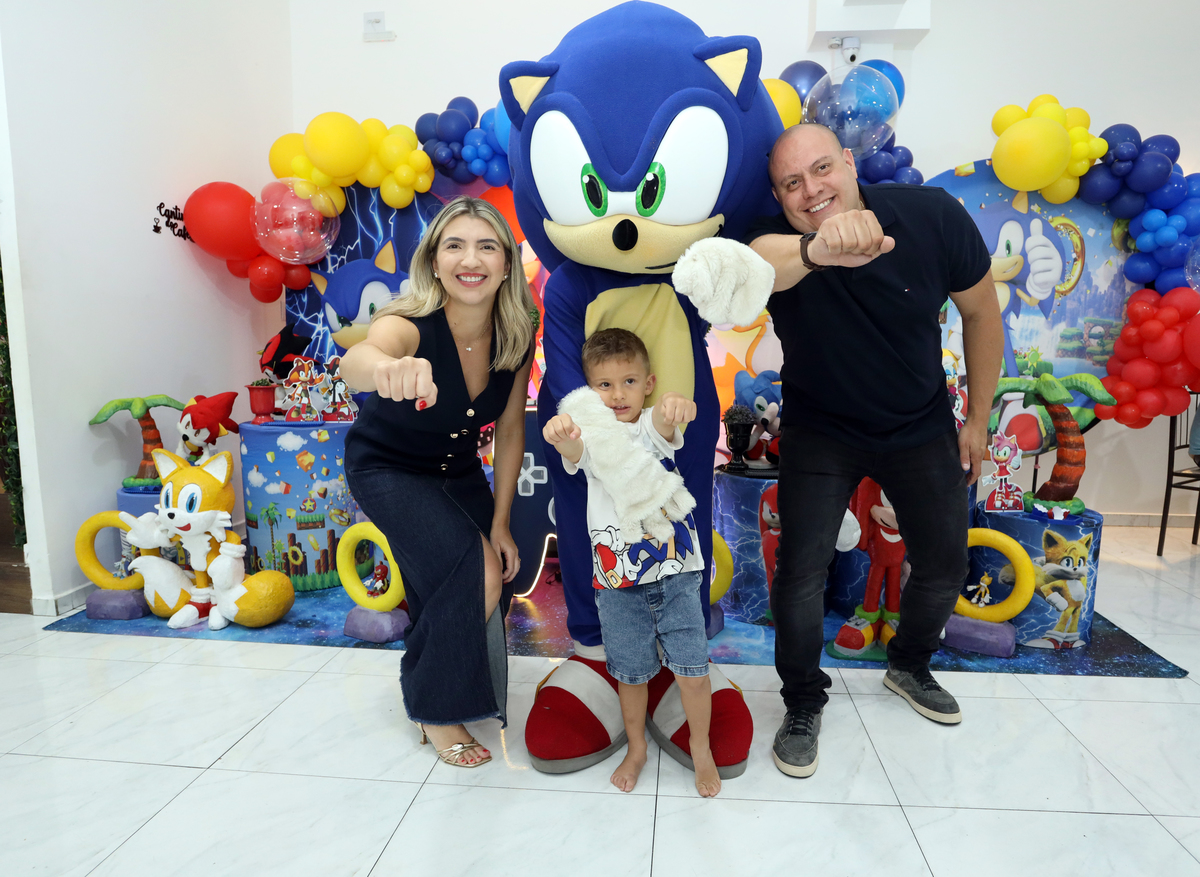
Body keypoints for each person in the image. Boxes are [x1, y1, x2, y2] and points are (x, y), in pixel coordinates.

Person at [744, 124, 1004, 778]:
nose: (811, 189)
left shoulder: (931, 215)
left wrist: (977, 419)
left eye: (821, 168)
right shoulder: (770, 240)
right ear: (777, 196)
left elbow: (982, 312)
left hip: (919, 423)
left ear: (850, 162)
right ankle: (803, 701)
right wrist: (819, 249)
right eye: (791, 183)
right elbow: (758, 261)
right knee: (800, 572)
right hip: (820, 430)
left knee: (944, 562)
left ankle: (909, 664)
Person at [340, 196, 536, 768]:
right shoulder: (405, 322)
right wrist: (385, 368)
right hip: (387, 467)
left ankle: (441, 681)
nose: (470, 259)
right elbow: (359, 358)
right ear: (433, 260)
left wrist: (501, 523)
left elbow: (511, 429)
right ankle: (433, 706)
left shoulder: (518, 332)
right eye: (455, 245)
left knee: (492, 573)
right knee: (476, 575)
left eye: (486, 246)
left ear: (506, 263)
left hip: (457, 470)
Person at [542, 328, 721, 797]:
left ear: (648, 383)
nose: (617, 394)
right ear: (589, 391)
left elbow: (665, 425)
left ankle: (701, 747)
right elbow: (575, 452)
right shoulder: (593, 437)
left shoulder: (649, 428)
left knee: (694, 671)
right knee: (629, 674)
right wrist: (561, 436)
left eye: (628, 382)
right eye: (604, 385)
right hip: (617, 581)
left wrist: (674, 407)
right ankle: (637, 747)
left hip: (677, 572)